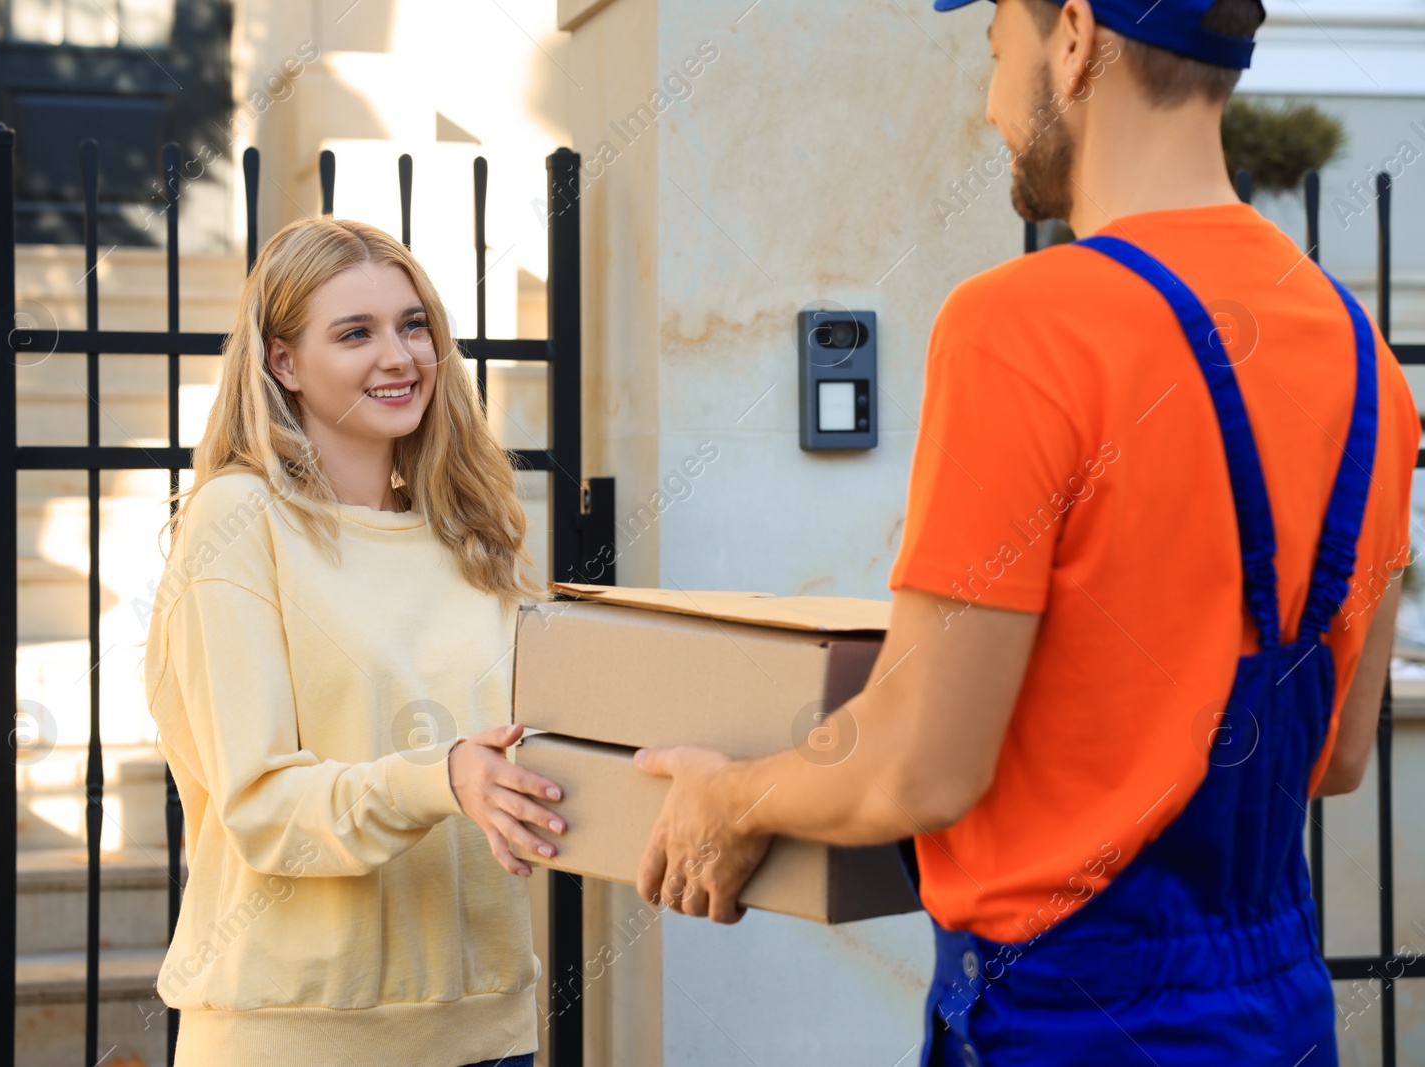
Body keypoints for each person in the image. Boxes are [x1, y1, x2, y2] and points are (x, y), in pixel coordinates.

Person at [631, 0, 1418, 1063]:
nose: (989, 100)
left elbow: (919, 767)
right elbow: (1337, 752)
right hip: (1276, 1011)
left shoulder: (1024, 324)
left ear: (1076, 37)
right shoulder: (1362, 355)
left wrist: (728, 795)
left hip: (1069, 1018)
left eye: (993, 45)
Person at [143, 215, 566, 1067]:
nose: (399, 356)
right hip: (297, 1034)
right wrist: (441, 775)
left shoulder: (471, 534)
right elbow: (261, 805)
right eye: (355, 332)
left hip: (488, 1030)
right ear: (282, 361)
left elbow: (526, 759)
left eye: (414, 325)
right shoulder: (238, 521)